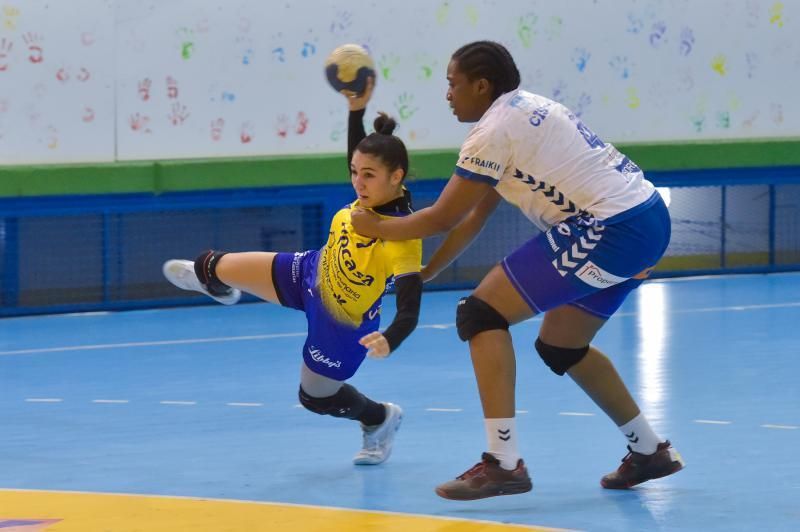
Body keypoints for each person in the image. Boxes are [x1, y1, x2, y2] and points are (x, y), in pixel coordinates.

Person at [351, 41, 684, 499]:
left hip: (611, 227)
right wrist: (429, 270)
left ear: (481, 85)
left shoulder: (493, 132)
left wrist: (373, 226)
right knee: (561, 346)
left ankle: (503, 462)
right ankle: (649, 450)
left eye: (453, 84)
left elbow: (441, 216)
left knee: (480, 313)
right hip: (644, 217)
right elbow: (474, 216)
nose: (447, 95)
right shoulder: (526, 110)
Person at [163, 80, 423, 466]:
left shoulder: (402, 233)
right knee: (209, 264)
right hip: (308, 273)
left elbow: (410, 305)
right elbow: (358, 156)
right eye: (354, 172)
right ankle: (220, 287)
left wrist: (391, 339)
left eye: (368, 175)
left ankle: (380, 418)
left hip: (344, 324)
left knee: (314, 398)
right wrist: (356, 110)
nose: (357, 181)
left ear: (396, 176)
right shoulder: (366, 196)